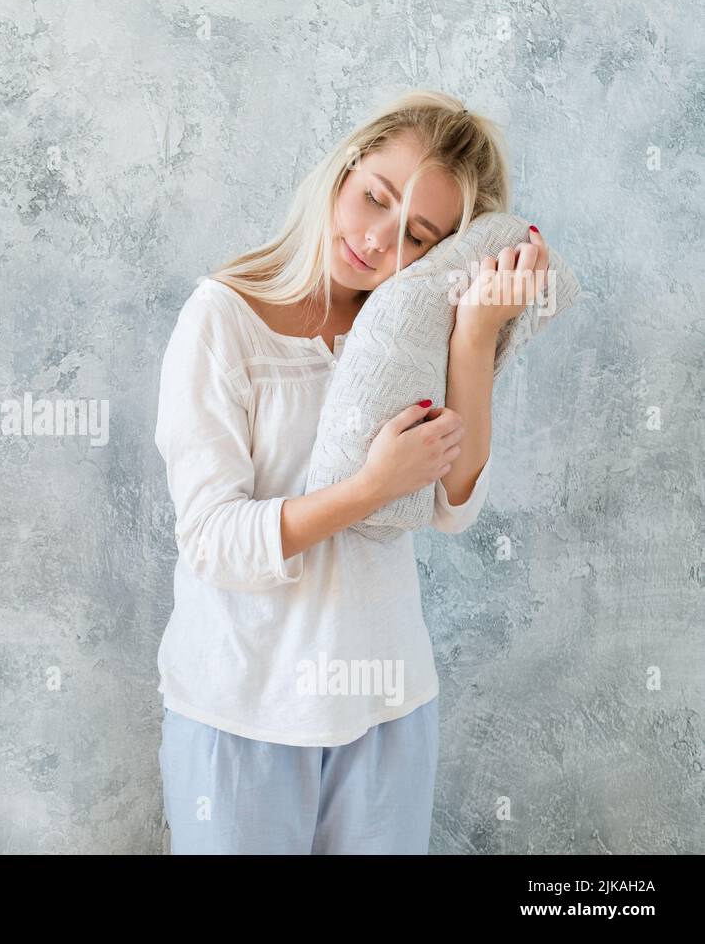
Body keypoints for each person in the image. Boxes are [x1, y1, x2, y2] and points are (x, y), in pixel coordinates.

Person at [154, 89, 549, 854]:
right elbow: (212, 542)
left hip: (388, 707)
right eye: (374, 197)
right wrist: (369, 487)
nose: (375, 239)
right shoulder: (220, 320)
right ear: (346, 166)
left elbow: (453, 505)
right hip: (243, 717)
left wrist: (472, 337)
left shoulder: (404, 333)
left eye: (415, 236)